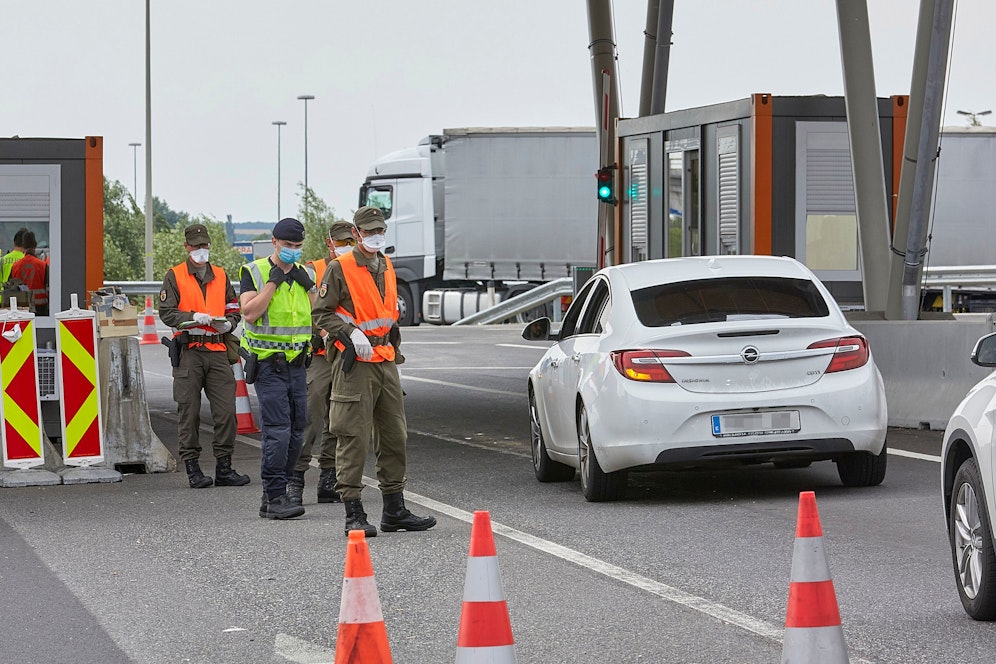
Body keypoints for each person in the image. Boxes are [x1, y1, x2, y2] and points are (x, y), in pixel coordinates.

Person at [313, 206, 436, 537]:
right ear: (356, 233)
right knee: (352, 436)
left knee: (395, 435)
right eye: (368, 232)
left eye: (379, 230)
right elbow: (321, 314)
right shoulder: (340, 268)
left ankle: (394, 509)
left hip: (384, 359)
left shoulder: (386, 264)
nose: (374, 236)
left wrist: (392, 345)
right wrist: (350, 334)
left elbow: (387, 315)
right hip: (355, 364)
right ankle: (353, 512)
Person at [159, 223, 249, 489]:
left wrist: (230, 324)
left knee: (226, 412)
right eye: (196, 246)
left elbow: (234, 308)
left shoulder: (220, 275)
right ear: (186, 247)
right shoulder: (174, 276)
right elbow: (167, 312)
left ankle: (224, 467)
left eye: (204, 245)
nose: (201, 250)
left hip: (218, 350)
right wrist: (193, 317)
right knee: (189, 410)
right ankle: (193, 468)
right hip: (189, 351)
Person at [239, 217, 315, 520]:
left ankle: (273, 495)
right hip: (269, 365)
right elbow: (250, 313)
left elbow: (317, 312)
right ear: (274, 242)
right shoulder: (254, 271)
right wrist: (273, 282)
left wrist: (309, 286)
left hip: (298, 365)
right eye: (288, 246)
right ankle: (274, 497)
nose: (293, 251)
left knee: (298, 431)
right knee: (278, 433)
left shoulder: (305, 273)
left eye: (297, 246)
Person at [286, 221, 357, 506]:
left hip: (347, 352)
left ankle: (328, 478)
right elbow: (304, 310)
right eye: (341, 242)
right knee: (310, 417)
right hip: (319, 354)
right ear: (329, 243)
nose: (346, 247)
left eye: (350, 241)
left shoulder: (358, 269)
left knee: (338, 420)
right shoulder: (311, 270)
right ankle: (295, 479)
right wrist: (324, 331)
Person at [10, 231, 48, 315]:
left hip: (21, 309)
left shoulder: (15, 266)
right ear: (35, 244)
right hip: (41, 309)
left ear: (23, 246)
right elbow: (49, 289)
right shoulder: (43, 265)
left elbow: (11, 289)